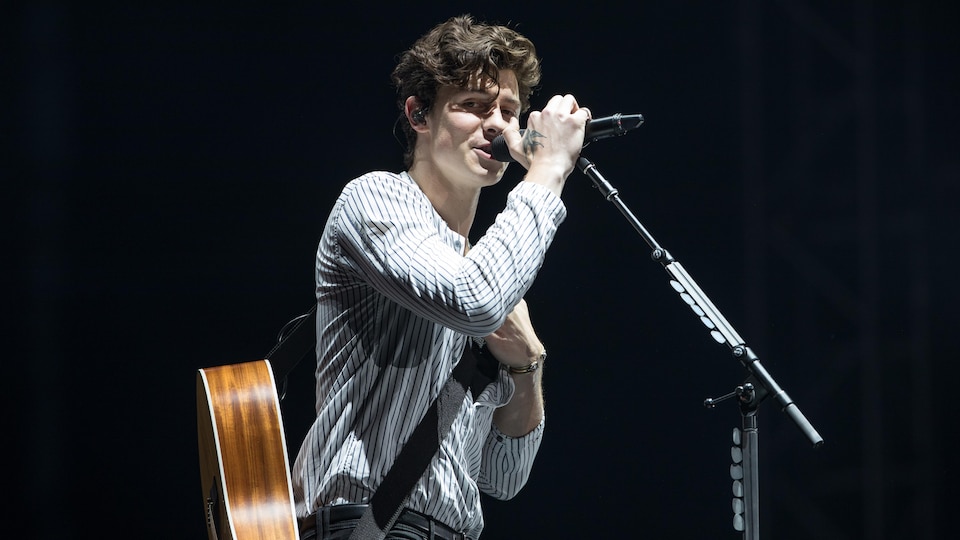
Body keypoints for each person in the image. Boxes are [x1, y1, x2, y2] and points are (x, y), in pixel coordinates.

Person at [291, 14, 590, 540]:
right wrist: (546, 173)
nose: (496, 124)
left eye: (509, 111)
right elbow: (473, 300)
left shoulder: (488, 262)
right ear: (419, 114)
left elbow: (502, 476)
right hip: (369, 526)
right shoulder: (375, 199)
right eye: (472, 106)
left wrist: (527, 366)